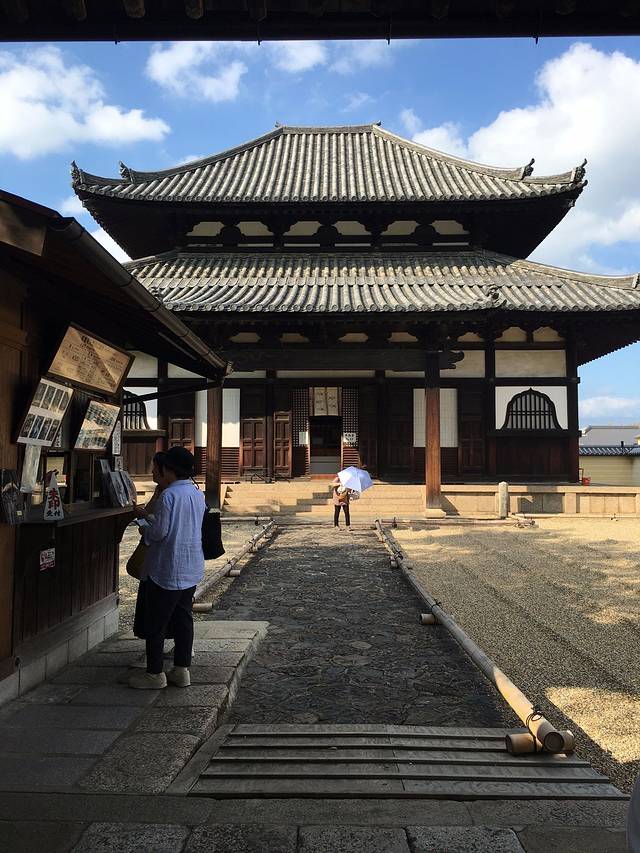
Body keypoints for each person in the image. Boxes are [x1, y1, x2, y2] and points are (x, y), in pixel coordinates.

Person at [129, 446, 205, 689]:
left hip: (167, 567)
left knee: (157, 622)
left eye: (158, 468)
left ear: (169, 470)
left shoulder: (169, 496)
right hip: (190, 565)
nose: (155, 472)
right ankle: (182, 670)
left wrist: (144, 526)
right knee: (183, 619)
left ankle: (155, 674)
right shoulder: (197, 494)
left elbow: (160, 532)